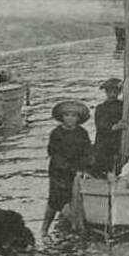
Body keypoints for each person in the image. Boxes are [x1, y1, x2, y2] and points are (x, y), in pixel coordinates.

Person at [41, 100, 93, 239]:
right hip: (59, 173)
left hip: (76, 174)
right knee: (54, 202)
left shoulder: (82, 133)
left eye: (74, 115)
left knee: (74, 200)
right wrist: (70, 168)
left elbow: (87, 152)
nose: (70, 118)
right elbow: (54, 154)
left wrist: (84, 168)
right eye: (67, 115)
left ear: (78, 119)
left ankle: (70, 230)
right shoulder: (56, 133)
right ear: (62, 117)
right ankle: (44, 229)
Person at [92, 78, 129, 176]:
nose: (112, 94)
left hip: (124, 140)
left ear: (119, 92)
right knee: (104, 161)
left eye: (115, 91)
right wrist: (115, 127)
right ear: (106, 92)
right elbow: (100, 126)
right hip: (108, 142)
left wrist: (127, 89)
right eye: (109, 91)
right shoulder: (100, 108)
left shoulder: (125, 106)